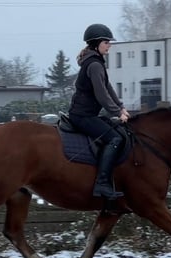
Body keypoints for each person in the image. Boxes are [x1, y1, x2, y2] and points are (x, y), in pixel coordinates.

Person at [68, 23, 131, 199]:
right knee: (115, 139)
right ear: (96, 43)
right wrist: (117, 112)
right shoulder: (94, 64)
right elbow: (101, 94)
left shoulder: (96, 62)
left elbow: (107, 86)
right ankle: (102, 184)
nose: (109, 44)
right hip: (82, 116)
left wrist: (120, 106)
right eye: (106, 42)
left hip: (88, 114)